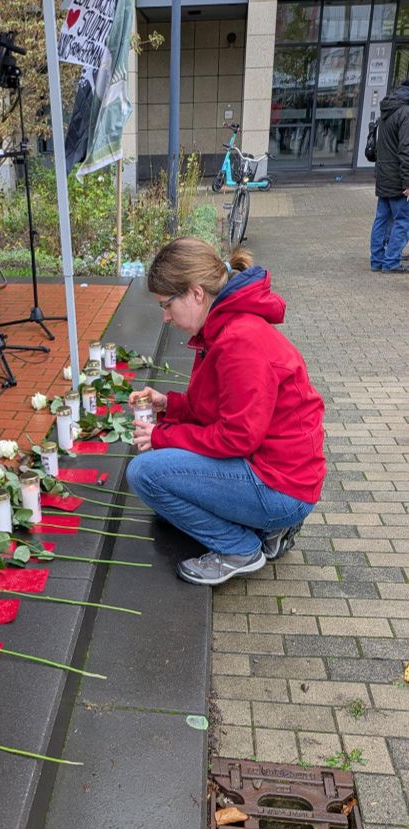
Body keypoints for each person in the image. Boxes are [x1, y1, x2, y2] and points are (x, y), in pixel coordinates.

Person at [126, 238, 326, 587]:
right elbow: (214, 408)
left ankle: (240, 548)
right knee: (165, 484)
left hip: (280, 485)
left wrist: (162, 436)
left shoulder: (239, 340)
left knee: (146, 474)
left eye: (167, 304)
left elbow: (236, 437)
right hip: (278, 473)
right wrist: (169, 405)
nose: (165, 317)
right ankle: (270, 527)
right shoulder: (225, 328)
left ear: (196, 293)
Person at [369, 77, 409, 274]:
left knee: (382, 219)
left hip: (383, 174)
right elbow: (405, 149)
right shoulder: (405, 112)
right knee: (403, 220)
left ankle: (377, 260)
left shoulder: (387, 109)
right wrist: (407, 180)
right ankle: (391, 261)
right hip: (397, 177)